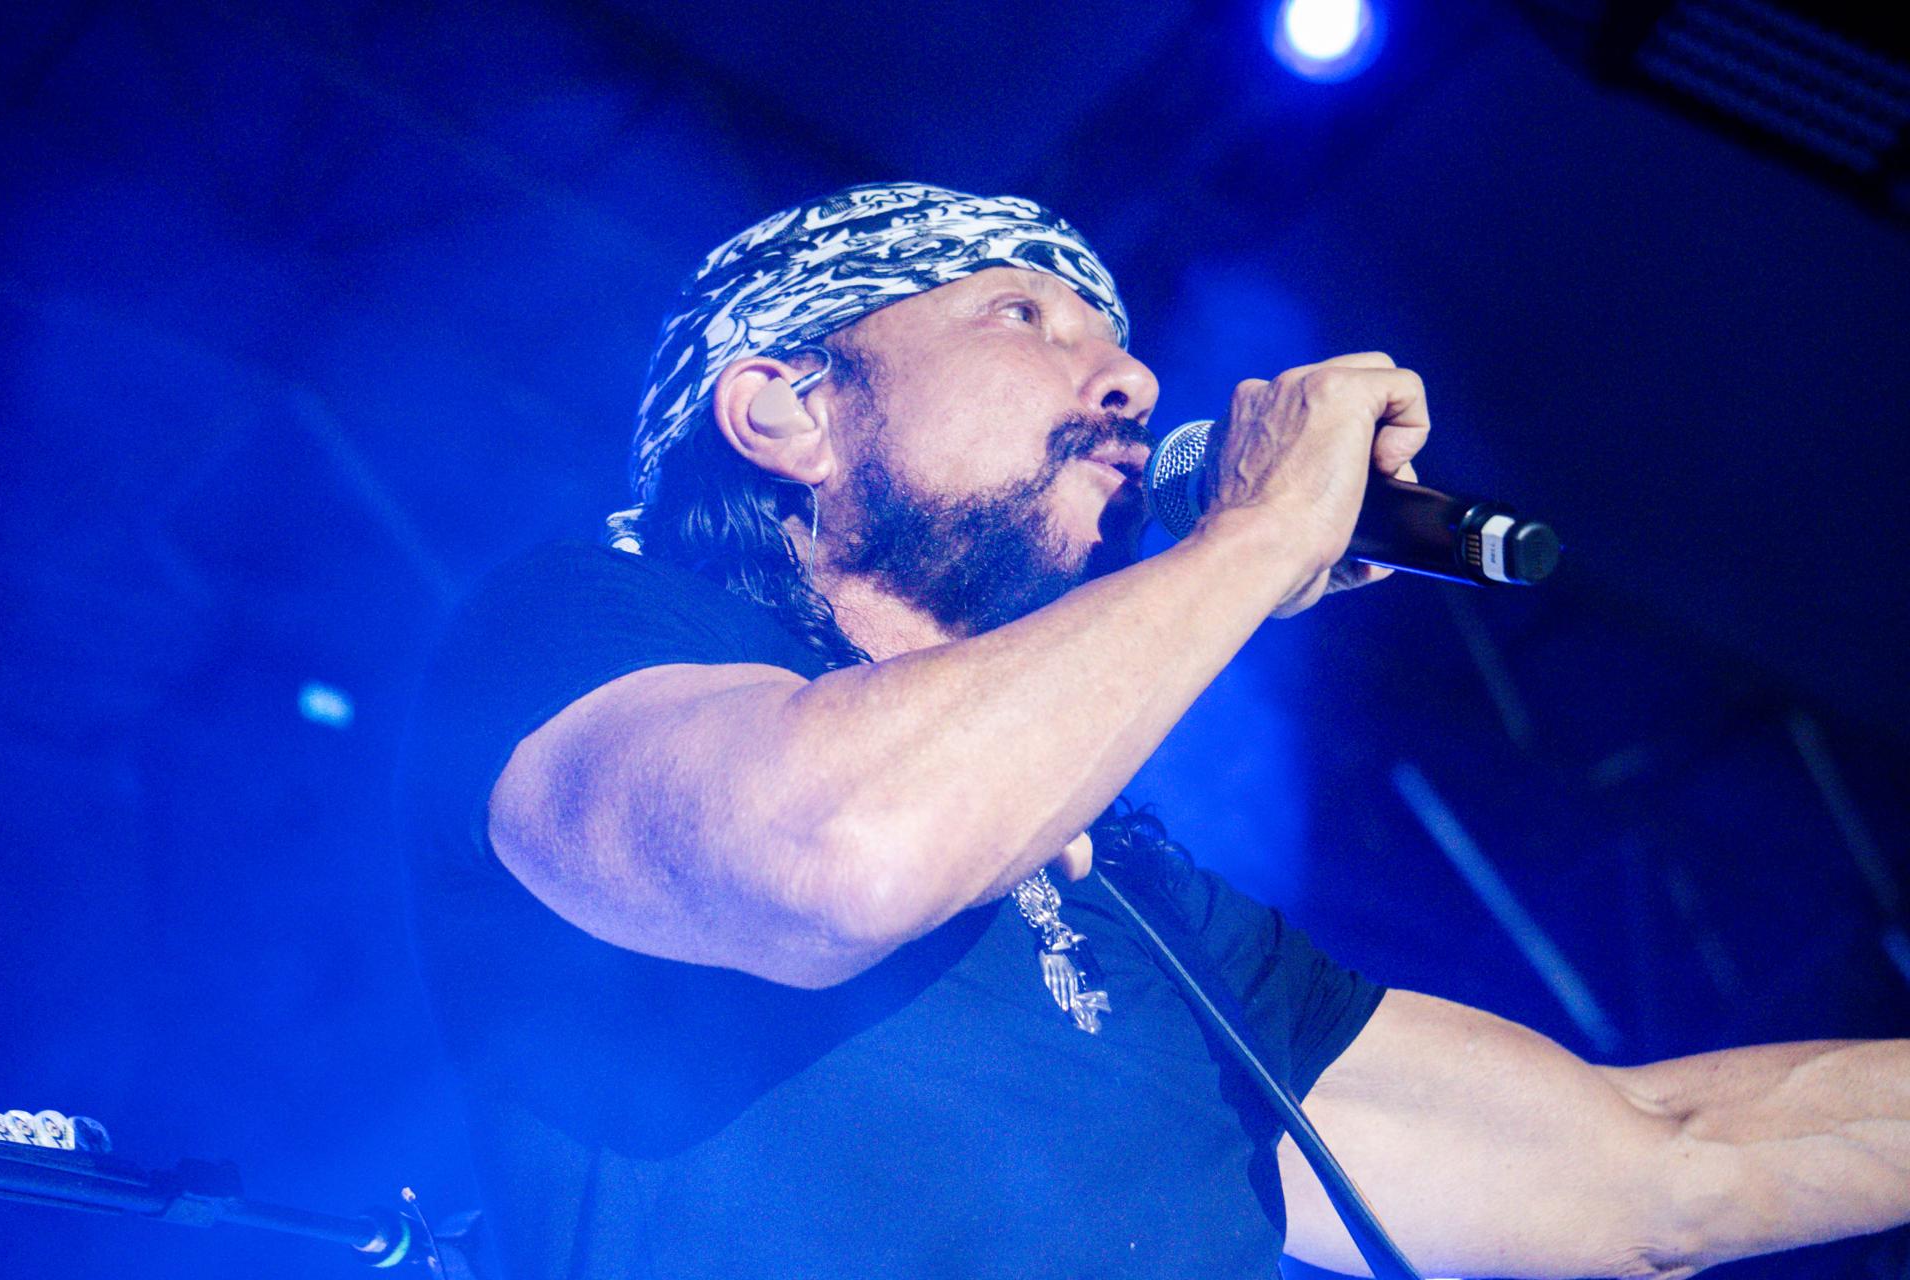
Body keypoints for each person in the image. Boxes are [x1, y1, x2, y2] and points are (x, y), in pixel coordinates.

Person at [400, 183, 1909, 1280]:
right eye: (1022, 315)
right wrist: (1257, 538)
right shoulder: (578, 631)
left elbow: (1654, 1164)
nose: (1126, 378)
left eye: (1117, 338)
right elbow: (829, 859)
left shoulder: (1139, 898)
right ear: (788, 411)